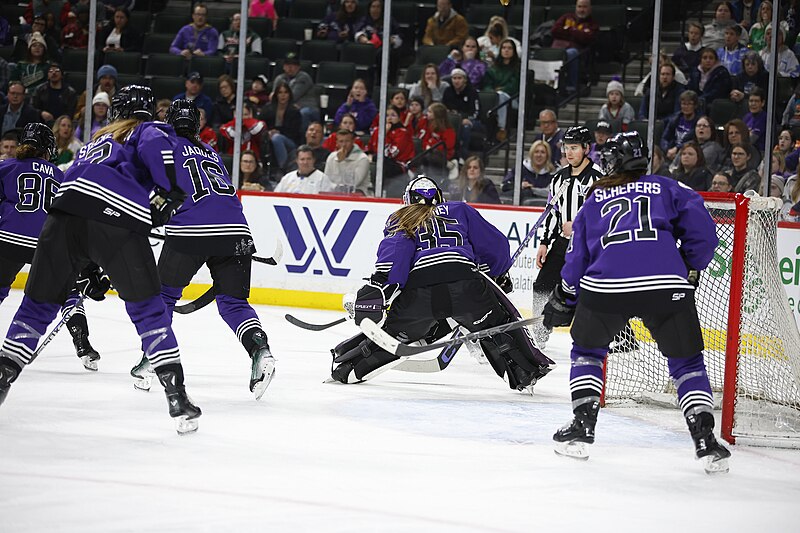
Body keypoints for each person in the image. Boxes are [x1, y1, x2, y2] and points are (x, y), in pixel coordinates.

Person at [0, 86, 203, 434]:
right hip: (115, 219)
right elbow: (160, 155)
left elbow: (85, 205)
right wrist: (172, 191)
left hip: (61, 219)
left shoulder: (95, 140)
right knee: (149, 311)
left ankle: (3, 380)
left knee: (35, 308)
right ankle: (177, 397)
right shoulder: (147, 129)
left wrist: (88, 265)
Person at [543, 131, 731, 474]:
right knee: (687, 363)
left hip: (606, 287)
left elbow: (577, 257)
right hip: (665, 284)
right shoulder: (670, 187)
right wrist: (689, 264)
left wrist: (565, 295)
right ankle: (705, 438)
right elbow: (703, 234)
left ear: (610, 163)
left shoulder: (595, 198)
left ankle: (583, 427)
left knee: (588, 353)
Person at [329, 175, 553, 389]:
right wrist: (497, 273)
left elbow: (396, 257)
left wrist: (380, 289)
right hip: (466, 285)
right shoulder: (459, 209)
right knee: (497, 324)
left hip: (421, 294)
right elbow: (496, 246)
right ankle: (525, 372)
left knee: (393, 334)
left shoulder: (402, 216)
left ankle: (348, 366)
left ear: (407, 199)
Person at [130, 100, 276, 400]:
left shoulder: (163, 146)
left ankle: (151, 359)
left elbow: (153, 188)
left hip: (190, 230)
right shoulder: (211, 152)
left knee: (163, 297)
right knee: (234, 304)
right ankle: (261, 352)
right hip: (237, 231)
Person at [0, 122, 100, 370]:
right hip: (48, 242)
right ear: (49, 149)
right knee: (68, 292)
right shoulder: (62, 175)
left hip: (8, 237)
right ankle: (83, 344)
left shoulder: (7, 166)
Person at [532, 125, 604, 348]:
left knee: (595, 292)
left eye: (574, 148)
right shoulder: (559, 178)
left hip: (590, 246)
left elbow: (605, 215)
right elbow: (554, 213)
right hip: (563, 244)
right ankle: (540, 332)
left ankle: (621, 341)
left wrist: (581, 226)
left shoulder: (599, 179)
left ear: (586, 148)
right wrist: (544, 242)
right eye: (566, 147)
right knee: (542, 285)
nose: (569, 152)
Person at [550, 0, 599, 92]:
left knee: (571, 53)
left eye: (584, 7)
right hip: (558, 48)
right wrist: (576, 32)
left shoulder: (593, 24)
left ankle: (571, 86)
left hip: (579, 52)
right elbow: (554, 31)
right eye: (579, 6)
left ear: (590, 9)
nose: (581, 10)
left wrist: (568, 30)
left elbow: (586, 38)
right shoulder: (567, 17)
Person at [260, 81, 303, 174]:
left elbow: (295, 132)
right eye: (280, 92)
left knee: (277, 138)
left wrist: (278, 132)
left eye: (285, 92)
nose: (283, 95)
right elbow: (260, 123)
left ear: (289, 94)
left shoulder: (294, 111)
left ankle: (283, 169)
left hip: (291, 141)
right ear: (276, 94)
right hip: (270, 137)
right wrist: (268, 132)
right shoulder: (268, 109)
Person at [482, 38, 521, 142]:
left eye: (509, 48)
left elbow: (513, 87)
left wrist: (499, 90)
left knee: (501, 96)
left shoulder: (518, 68)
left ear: (514, 51)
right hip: (495, 98)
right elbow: (487, 85)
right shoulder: (493, 68)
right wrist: (494, 92)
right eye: (504, 48)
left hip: (513, 100)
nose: (506, 50)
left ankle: (502, 127)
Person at [272, 52, 320, 132]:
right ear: (284, 67)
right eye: (287, 65)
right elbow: (273, 97)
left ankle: (301, 141)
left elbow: (292, 96)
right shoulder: (279, 79)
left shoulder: (304, 77)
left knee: (302, 113)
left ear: (298, 67)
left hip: (308, 109)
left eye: (293, 65)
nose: (290, 67)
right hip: (290, 108)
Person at [441, 68, 482, 161]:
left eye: (459, 78)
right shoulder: (448, 91)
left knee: (465, 126)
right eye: (454, 78)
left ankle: (462, 156)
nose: (456, 81)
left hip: (472, 120)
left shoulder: (472, 92)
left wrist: (465, 118)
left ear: (465, 80)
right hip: (453, 119)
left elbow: (476, 112)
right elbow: (443, 108)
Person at [366, 105, 414, 180]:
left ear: (399, 118)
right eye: (386, 115)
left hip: (398, 164)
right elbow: (370, 149)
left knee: (380, 160)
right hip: (379, 160)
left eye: (393, 115)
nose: (389, 118)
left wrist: (383, 135)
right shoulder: (377, 131)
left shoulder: (403, 133)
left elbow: (392, 154)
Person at [501, 140, 556, 205]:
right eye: (536, 152)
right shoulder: (520, 169)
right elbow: (503, 185)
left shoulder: (552, 173)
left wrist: (531, 189)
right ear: (531, 154)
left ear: (547, 155)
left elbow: (551, 193)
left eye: (543, 152)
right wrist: (519, 185)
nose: (539, 155)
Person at [323, 129, 370, 194]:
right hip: (334, 192)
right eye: (341, 141)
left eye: (347, 141)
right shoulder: (331, 157)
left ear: (353, 141)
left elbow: (354, 183)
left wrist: (341, 162)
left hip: (357, 193)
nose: (344, 145)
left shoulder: (363, 158)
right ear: (337, 143)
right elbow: (326, 180)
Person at [686, 47, 733, 113]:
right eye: (705, 58)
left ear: (715, 60)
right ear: (701, 60)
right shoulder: (695, 72)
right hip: (697, 102)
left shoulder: (722, 72)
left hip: (714, 104)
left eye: (711, 58)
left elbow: (718, 92)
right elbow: (690, 88)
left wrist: (699, 99)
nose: (708, 60)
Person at [661, 90, 701, 160]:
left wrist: (677, 149)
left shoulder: (699, 123)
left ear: (695, 106)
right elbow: (664, 138)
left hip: (688, 154)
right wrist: (667, 150)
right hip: (671, 152)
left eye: (689, 104)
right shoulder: (675, 119)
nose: (686, 107)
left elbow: (693, 142)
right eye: (683, 104)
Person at [742, 87, 767, 151]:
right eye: (751, 101)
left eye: (756, 101)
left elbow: (751, 139)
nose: (753, 104)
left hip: (760, 152)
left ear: (763, 103)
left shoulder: (765, 118)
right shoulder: (746, 117)